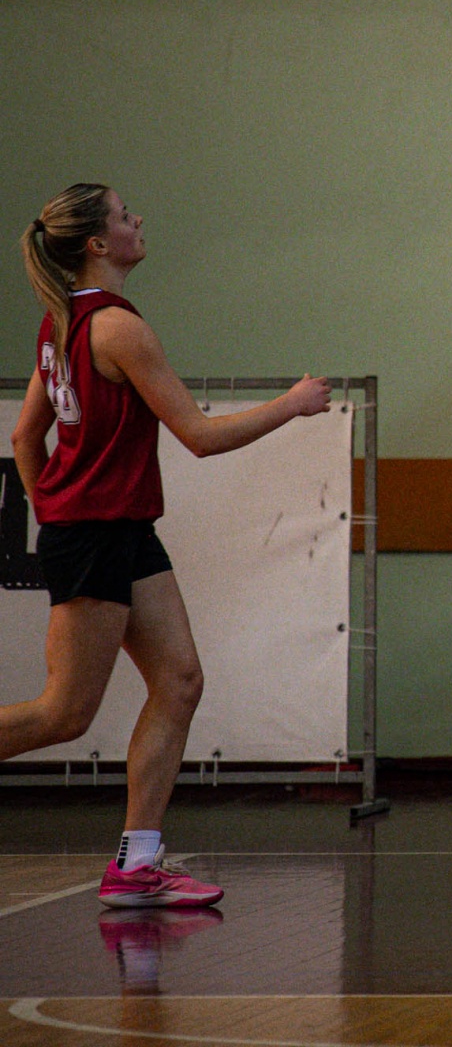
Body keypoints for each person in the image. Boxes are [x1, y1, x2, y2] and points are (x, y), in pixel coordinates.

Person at [7, 184, 331, 908]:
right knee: (64, 714)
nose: (138, 220)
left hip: (119, 530)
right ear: (98, 243)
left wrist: (53, 512)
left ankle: (137, 864)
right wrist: (292, 404)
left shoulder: (63, 322)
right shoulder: (117, 329)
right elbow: (200, 437)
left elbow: (26, 437)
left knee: (180, 682)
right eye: (125, 215)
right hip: (94, 533)